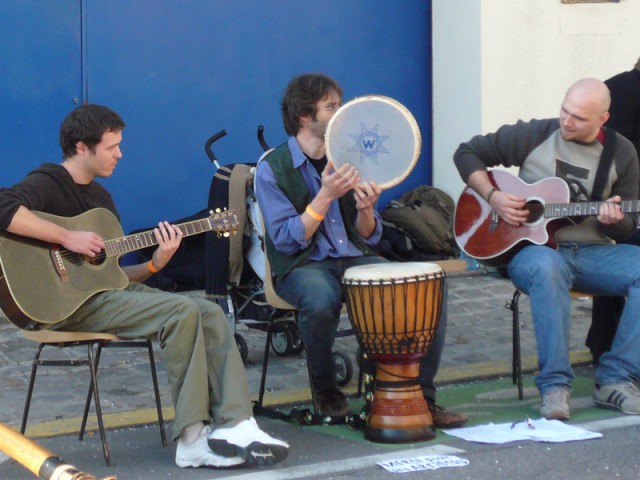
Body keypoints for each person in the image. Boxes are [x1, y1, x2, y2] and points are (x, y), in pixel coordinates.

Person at [0, 104, 289, 469]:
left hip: (102, 297)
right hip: (60, 306)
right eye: (111, 147)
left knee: (209, 311)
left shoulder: (101, 202)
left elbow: (112, 277)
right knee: (181, 312)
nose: (120, 154)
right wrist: (65, 238)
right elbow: (3, 206)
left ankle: (236, 424)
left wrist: (156, 263)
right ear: (81, 147)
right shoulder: (49, 182)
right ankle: (191, 440)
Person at [254, 73, 467, 430]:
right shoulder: (271, 168)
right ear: (306, 116)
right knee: (320, 298)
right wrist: (324, 196)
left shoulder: (349, 156)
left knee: (428, 282)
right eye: (331, 107)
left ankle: (420, 396)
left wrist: (368, 210)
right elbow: (286, 240)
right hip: (303, 264)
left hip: (352, 256)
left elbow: (369, 236)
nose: (341, 114)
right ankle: (326, 392)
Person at [454, 78, 640, 420]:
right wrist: (494, 197)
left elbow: (629, 223)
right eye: (564, 111)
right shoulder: (539, 134)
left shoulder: (622, 153)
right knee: (548, 266)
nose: (567, 121)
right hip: (530, 251)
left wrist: (614, 220)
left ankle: (616, 379)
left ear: (603, 118)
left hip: (590, 253)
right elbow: (466, 153)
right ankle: (555, 385)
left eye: (579, 118)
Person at [587, 56, 640, 362]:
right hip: (614, 206)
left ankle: (608, 346)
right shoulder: (622, 91)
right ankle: (610, 348)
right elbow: (610, 161)